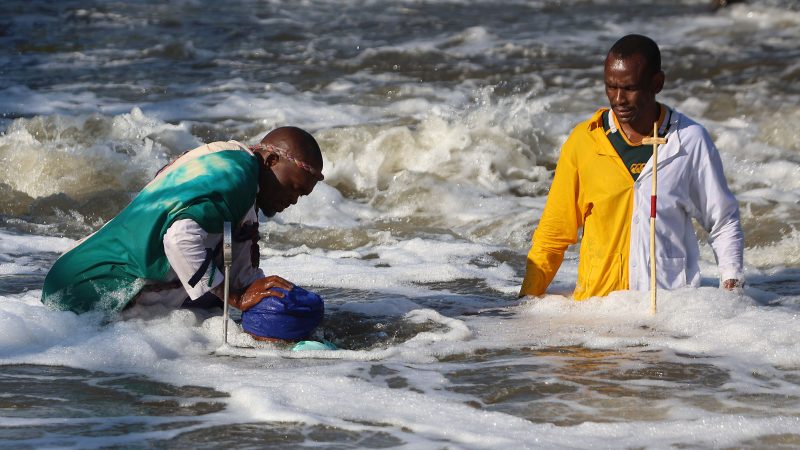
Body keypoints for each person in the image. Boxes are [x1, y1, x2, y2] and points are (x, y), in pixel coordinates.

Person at [519, 34, 744, 300]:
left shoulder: (689, 140)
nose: (618, 99)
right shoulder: (584, 141)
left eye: (629, 88)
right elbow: (553, 235)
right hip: (597, 313)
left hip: (671, 313)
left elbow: (723, 221)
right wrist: (524, 304)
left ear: (657, 83)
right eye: (610, 87)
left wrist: (733, 293)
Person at [41, 126, 324, 315]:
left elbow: (229, 242)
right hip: (85, 293)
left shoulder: (232, 160)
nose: (294, 199)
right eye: (295, 188)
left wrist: (255, 291)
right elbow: (180, 239)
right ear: (272, 160)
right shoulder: (237, 179)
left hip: (73, 278)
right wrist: (236, 298)